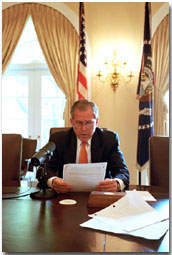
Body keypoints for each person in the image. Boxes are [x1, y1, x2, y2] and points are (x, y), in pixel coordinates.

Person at [37, 99, 129, 193]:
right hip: (66, 195)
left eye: (89, 123)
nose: (83, 129)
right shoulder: (59, 139)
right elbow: (44, 169)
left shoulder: (109, 139)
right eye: (78, 123)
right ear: (72, 122)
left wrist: (117, 183)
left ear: (97, 122)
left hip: (99, 194)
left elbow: (122, 170)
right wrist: (53, 181)